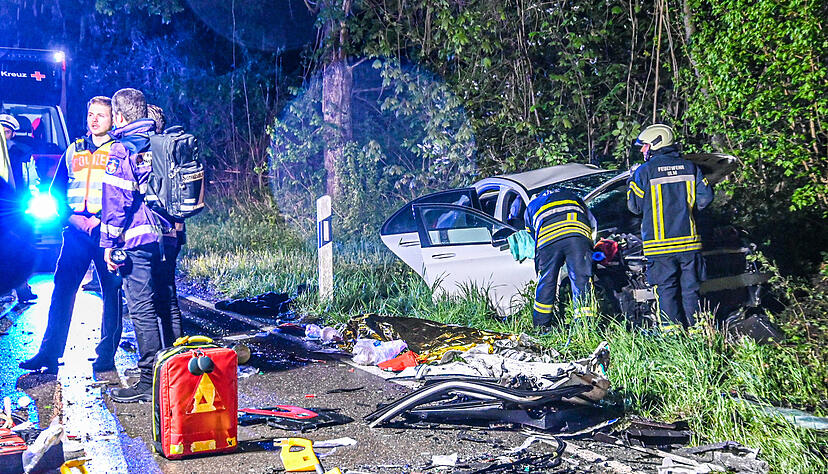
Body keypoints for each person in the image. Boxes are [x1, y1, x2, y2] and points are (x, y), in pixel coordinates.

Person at [18, 97, 124, 373]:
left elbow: (125, 194)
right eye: (91, 114)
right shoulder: (73, 149)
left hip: (107, 234)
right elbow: (56, 191)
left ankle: (106, 356)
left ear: (113, 119)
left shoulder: (119, 151)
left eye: (102, 115)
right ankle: (49, 353)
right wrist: (73, 218)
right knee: (62, 289)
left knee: (111, 291)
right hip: (76, 231)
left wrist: (101, 221)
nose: (95, 119)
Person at [100, 88, 181, 402]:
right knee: (167, 303)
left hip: (138, 238)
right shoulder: (162, 141)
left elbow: (116, 203)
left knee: (142, 308)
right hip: (168, 237)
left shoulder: (122, 149)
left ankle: (149, 381)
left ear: (119, 116)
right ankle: (179, 371)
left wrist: (109, 243)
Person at [626, 124, 713, 332]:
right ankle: (698, 336)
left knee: (666, 291)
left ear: (656, 143)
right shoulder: (690, 167)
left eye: (645, 146)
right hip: (689, 243)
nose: (642, 150)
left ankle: (673, 340)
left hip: (660, 246)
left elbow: (634, 207)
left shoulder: (644, 172)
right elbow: (705, 199)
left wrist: (631, 179)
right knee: (691, 291)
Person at [523, 189, 596, 327]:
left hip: (548, 239)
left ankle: (541, 325)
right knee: (582, 280)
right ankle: (585, 326)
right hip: (577, 236)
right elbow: (592, 222)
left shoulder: (532, 205)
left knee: (547, 281)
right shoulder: (573, 196)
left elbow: (532, 233)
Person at [1, 114, 40, 303]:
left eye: (6, 132)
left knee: (19, 247)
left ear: (12, 133)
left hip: (17, 208)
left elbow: (31, 178)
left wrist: (33, 196)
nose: (3, 135)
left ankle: (22, 287)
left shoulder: (22, 153)